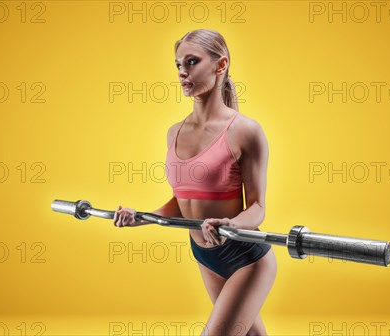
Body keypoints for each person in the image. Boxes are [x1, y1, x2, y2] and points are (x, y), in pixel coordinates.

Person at [113, 29, 277, 336]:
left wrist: (229, 225)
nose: (182, 72)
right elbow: (181, 201)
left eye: (191, 62)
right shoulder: (174, 132)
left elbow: (257, 208)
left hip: (245, 257)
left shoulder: (245, 131)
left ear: (220, 65)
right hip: (205, 253)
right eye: (178, 65)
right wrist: (142, 218)